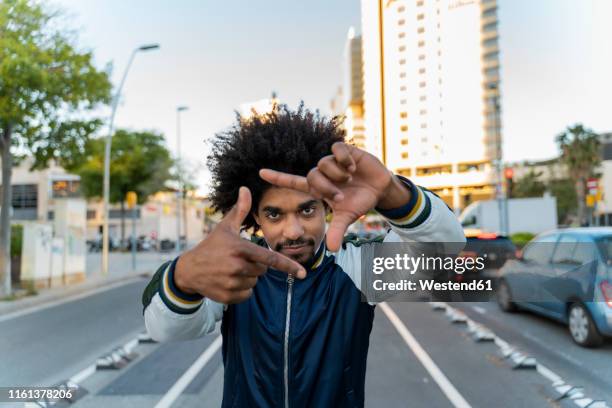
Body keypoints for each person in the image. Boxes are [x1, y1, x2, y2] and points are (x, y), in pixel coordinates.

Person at [142, 104, 465, 407]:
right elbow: (166, 329)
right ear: (255, 217)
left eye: (306, 209)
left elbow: (443, 250)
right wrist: (182, 278)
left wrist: (392, 193)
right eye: (274, 215)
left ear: (326, 206)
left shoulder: (356, 266)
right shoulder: (235, 271)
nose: (293, 230)